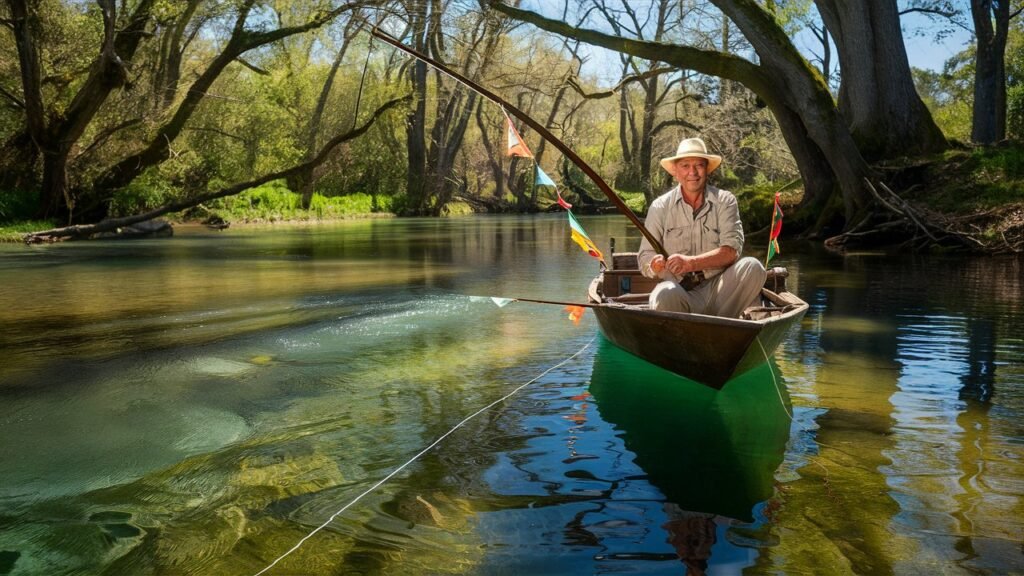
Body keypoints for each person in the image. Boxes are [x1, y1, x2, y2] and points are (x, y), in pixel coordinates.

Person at [637, 137, 766, 317]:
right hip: (679, 293)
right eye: (685, 166)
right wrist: (654, 265)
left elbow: (731, 252)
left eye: (699, 165)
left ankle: (720, 324)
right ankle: (707, 328)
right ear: (675, 171)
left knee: (753, 267)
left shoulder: (725, 201)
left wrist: (691, 263)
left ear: (707, 170)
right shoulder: (659, 207)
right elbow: (644, 256)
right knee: (663, 293)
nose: (693, 172)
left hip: (720, 292)